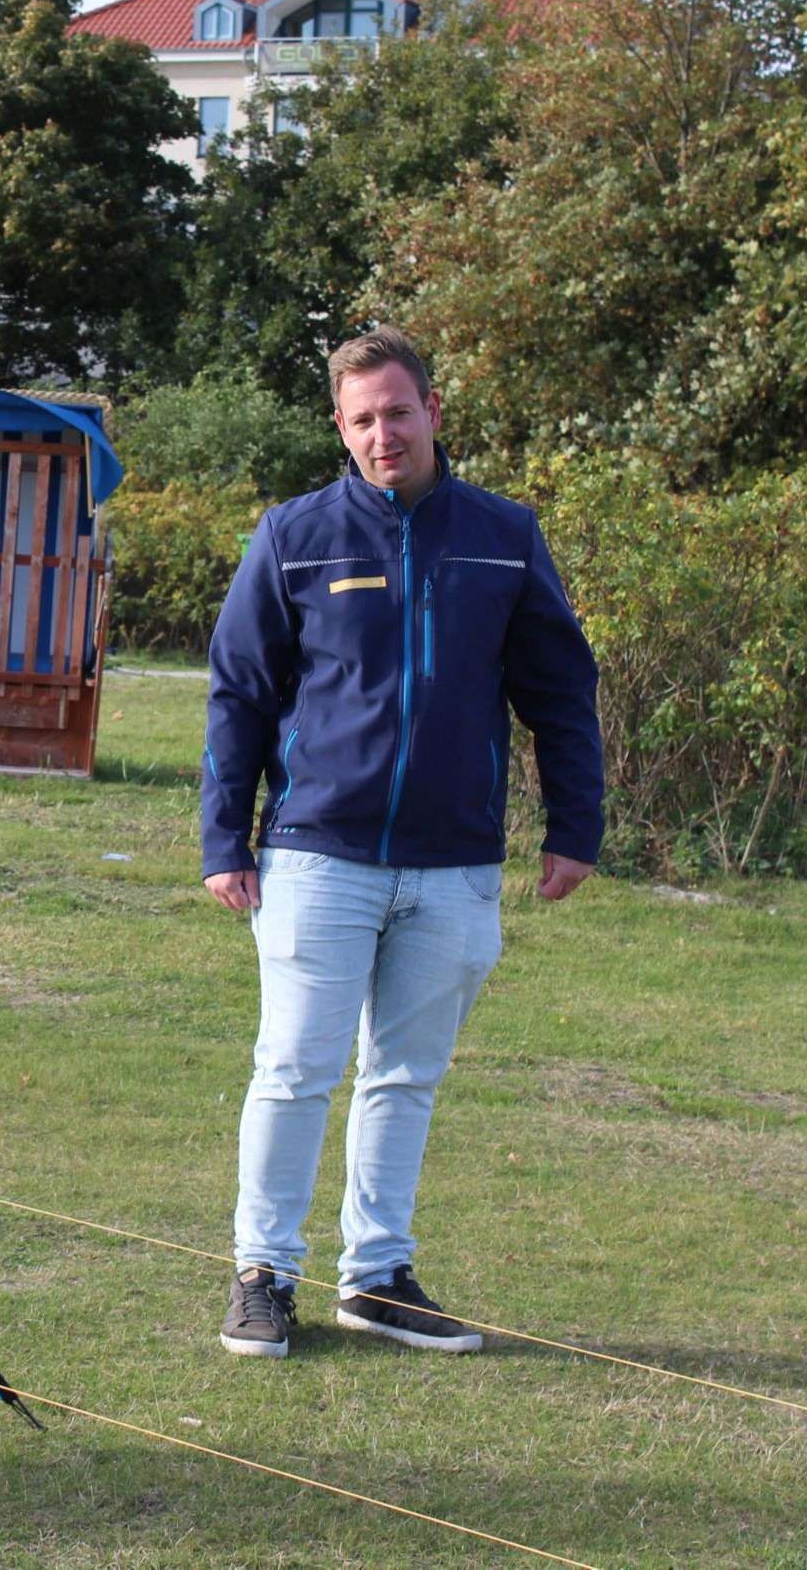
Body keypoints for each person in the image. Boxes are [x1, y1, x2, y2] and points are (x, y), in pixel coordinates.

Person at [201, 325, 602, 1359]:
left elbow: (558, 692)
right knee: (294, 1067)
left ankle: (376, 1279)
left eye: (397, 411)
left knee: (404, 1076)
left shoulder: (503, 535)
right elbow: (240, 693)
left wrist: (574, 825)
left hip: (455, 862)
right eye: (361, 419)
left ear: (432, 410)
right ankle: (262, 1275)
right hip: (316, 853)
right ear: (339, 428)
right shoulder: (292, 535)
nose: (384, 434)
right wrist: (222, 838)